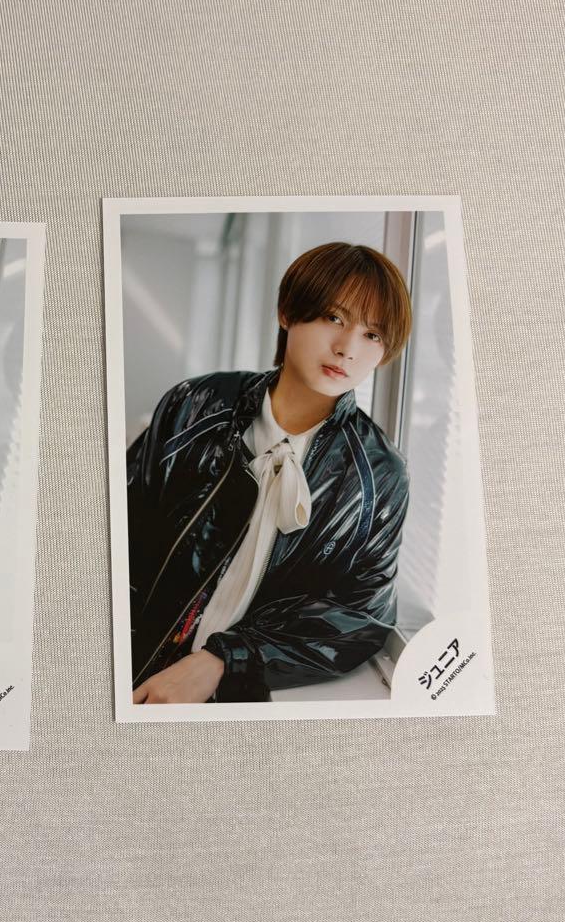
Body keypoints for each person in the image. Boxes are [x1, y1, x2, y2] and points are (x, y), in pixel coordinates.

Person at [127, 241, 413, 704]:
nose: (346, 349)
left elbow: (360, 619)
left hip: (231, 702)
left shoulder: (379, 477)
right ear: (288, 312)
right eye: (334, 318)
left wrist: (223, 660)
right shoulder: (195, 405)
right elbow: (116, 534)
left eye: (372, 335)